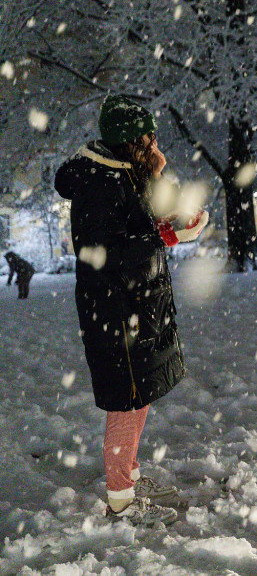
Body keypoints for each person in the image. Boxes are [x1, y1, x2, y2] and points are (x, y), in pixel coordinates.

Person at [54, 94, 208, 526]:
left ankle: (131, 477)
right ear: (128, 141)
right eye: (147, 137)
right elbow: (109, 251)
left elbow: (139, 223)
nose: (154, 142)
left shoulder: (122, 173)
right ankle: (121, 499)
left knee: (137, 399)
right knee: (126, 403)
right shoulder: (100, 182)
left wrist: (167, 212)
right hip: (117, 312)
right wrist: (168, 238)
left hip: (134, 306)